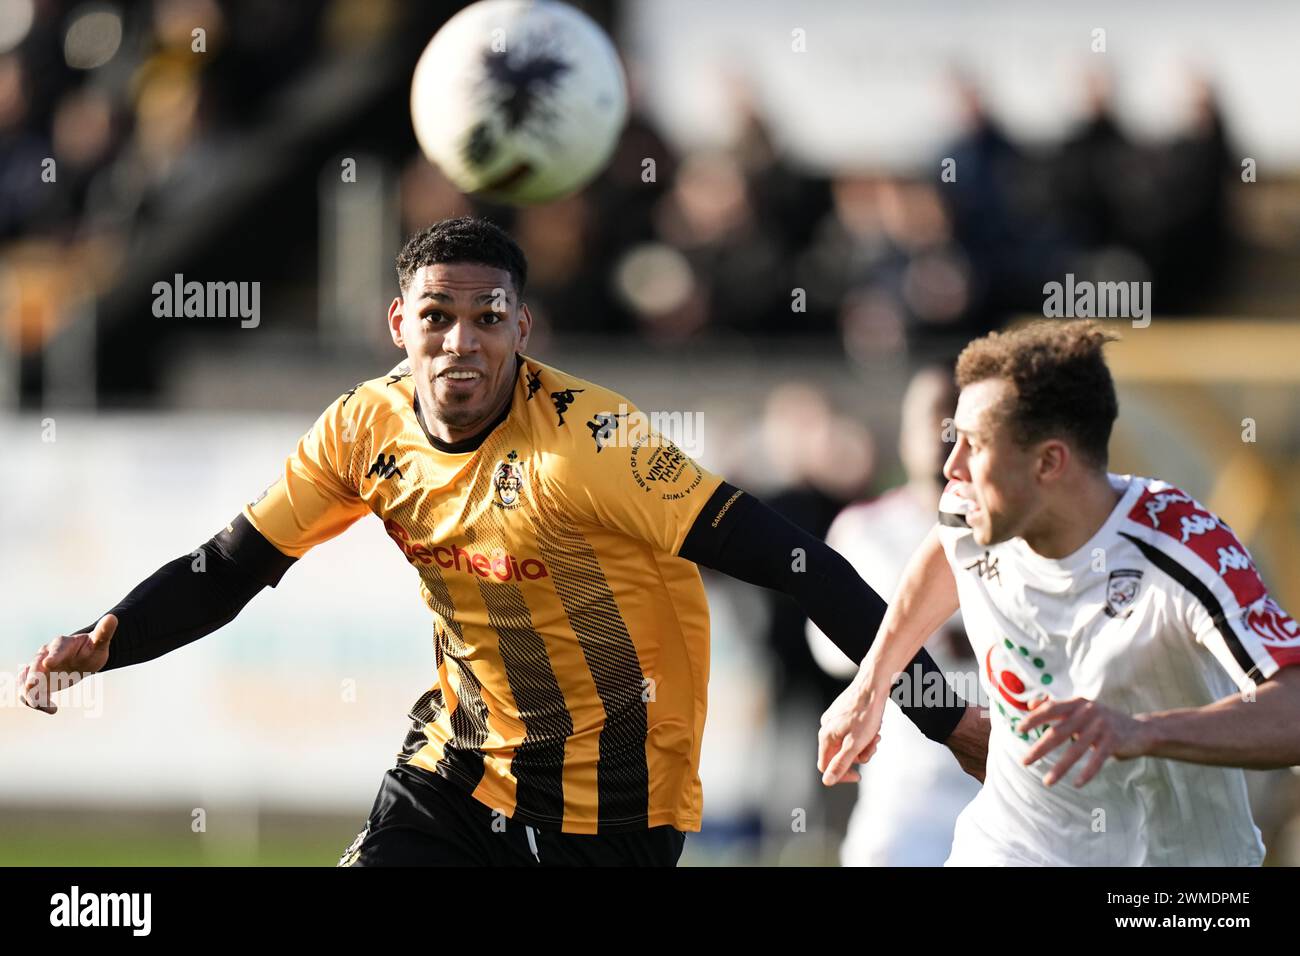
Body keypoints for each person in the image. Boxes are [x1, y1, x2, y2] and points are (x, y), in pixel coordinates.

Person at [19, 216, 987, 867]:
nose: (460, 343)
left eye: (488, 319)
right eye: (436, 318)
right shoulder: (363, 429)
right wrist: (107, 636)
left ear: (522, 326)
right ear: (399, 324)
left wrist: (948, 721)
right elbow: (227, 569)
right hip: (458, 760)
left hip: (616, 797)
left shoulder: (593, 443)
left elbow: (801, 563)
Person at [818, 319, 1300, 866]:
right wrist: (873, 681)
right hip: (1014, 847)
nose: (951, 466)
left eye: (974, 445)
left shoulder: (1185, 549)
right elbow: (946, 548)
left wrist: (1141, 732)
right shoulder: (970, 509)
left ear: (1049, 461)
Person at [806, 367, 979, 865]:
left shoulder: (1024, 531)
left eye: (955, 419)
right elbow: (826, 644)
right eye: (931, 417)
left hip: (1002, 780)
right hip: (906, 790)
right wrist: (916, 644)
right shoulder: (864, 527)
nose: (941, 434)